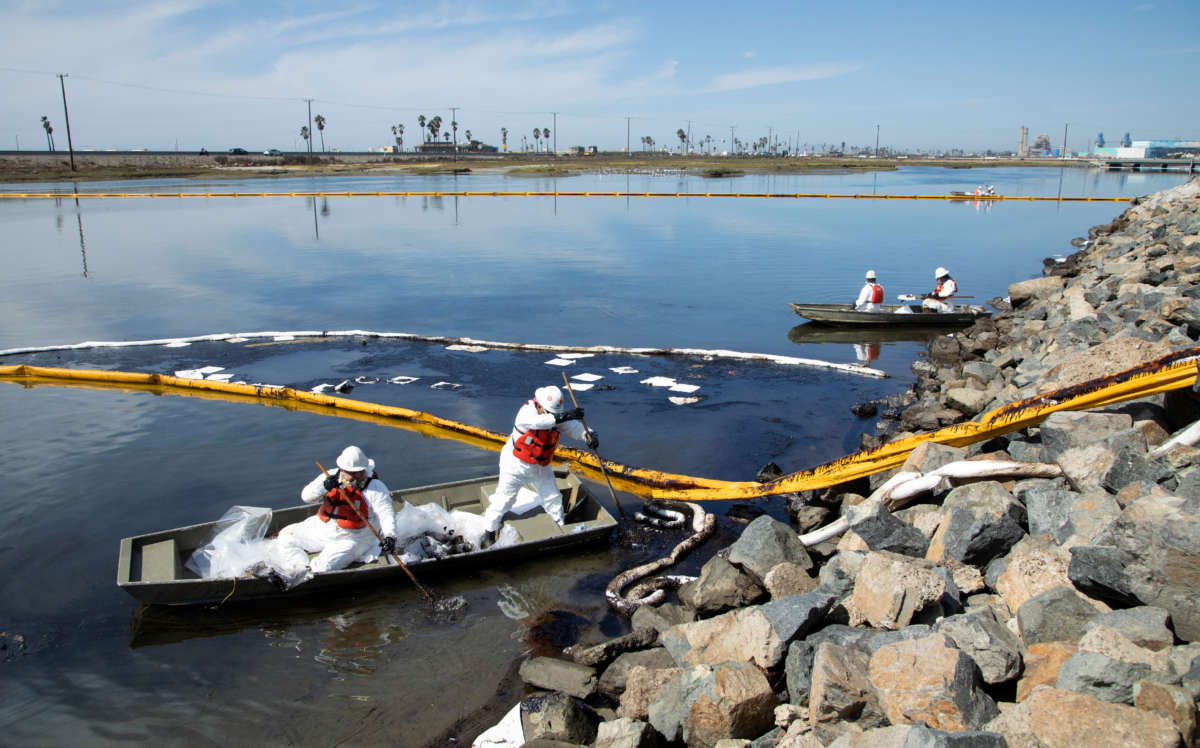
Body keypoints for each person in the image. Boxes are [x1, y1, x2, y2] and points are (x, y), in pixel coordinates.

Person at [482, 385, 597, 539]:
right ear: (539, 404)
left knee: (553, 498)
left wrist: (588, 435)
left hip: (540, 466)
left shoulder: (554, 416)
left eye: (554, 413)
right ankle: (488, 532)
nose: (552, 414)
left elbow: (572, 427)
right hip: (514, 465)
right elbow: (539, 423)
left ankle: (559, 529)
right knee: (504, 499)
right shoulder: (526, 413)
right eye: (549, 411)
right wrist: (566, 415)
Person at [276, 445, 398, 574]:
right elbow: (306, 497)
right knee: (286, 536)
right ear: (342, 470)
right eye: (351, 473)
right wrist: (324, 487)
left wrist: (390, 536)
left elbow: (386, 514)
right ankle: (300, 569)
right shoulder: (331, 476)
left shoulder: (375, 487)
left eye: (360, 472)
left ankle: (311, 572)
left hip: (354, 538)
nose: (356, 476)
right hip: (324, 529)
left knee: (323, 568)